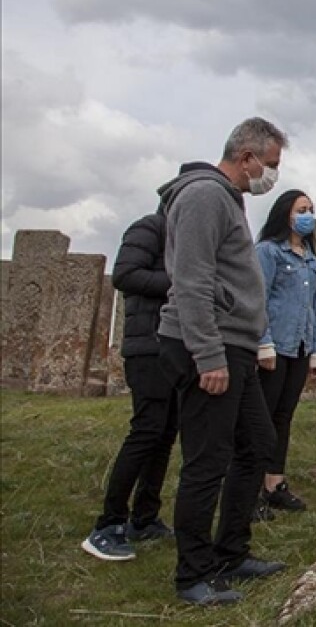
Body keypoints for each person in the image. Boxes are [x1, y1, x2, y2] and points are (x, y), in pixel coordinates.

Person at [155, 117, 289, 606]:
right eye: (270, 165)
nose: (271, 174)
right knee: (207, 460)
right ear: (247, 157)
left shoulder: (229, 199)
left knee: (258, 441)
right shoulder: (205, 196)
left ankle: (231, 550)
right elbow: (189, 280)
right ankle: (193, 575)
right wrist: (208, 354)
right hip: (207, 346)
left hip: (234, 344)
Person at [80, 210, 179, 561]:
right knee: (146, 431)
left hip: (174, 347)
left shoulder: (182, 235)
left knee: (165, 434)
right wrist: (183, 281)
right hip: (148, 345)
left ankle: (144, 517)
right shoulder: (149, 227)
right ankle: (108, 524)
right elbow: (125, 274)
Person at [255, 189, 316, 514]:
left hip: (300, 347)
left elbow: (315, 309)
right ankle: (249, 487)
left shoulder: (312, 259)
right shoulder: (268, 252)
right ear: (285, 214)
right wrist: (263, 343)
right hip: (273, 347)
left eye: (310, 209)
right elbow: (258, 300)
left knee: (283, 417)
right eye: (301, 209)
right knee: (262, 419)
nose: (307, 214)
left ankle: (274, 484)